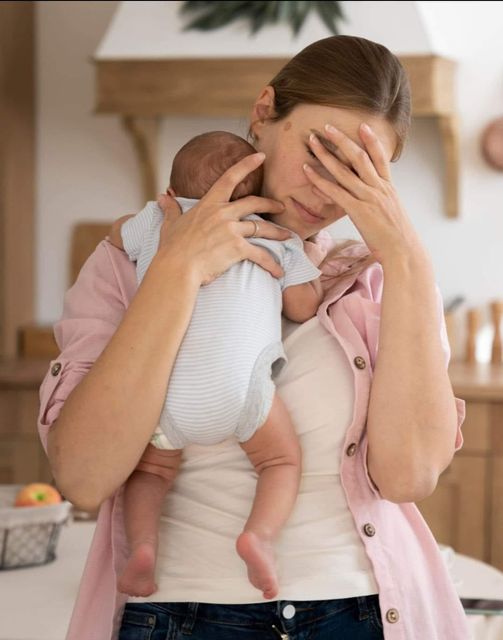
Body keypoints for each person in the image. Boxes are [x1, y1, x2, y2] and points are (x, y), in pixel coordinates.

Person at [37, 35, 470, 640]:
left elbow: (408, 476)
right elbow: (83, 475)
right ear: (264, 113)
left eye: (360, 175)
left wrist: (405, 257)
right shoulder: (128, 260)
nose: (326, 193)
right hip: (177, 617)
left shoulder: (373, 282)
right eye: (320, 155)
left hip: (363, 613)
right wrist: (177, 270)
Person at [107, 130, 323, 600]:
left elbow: (114, 237)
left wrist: (151, 215)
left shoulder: (157, 221)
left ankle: (142, 549)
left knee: (150, 473)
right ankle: (258, 536)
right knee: (280, 461)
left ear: (170, 193)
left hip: (164, 393)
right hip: (241, 391)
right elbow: (304, 307)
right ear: (261, 198)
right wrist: (305, 261)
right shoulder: (277, 237)